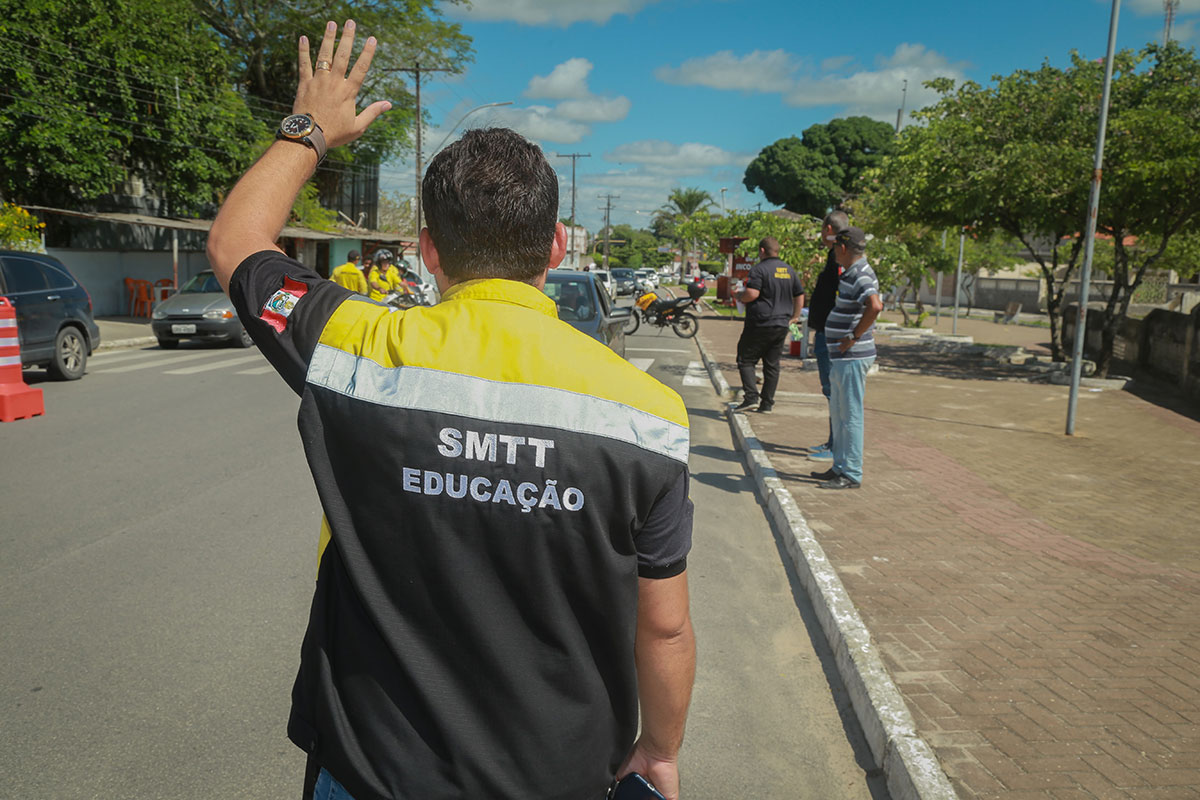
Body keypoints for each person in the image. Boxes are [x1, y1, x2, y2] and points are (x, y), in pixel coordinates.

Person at [204, 21, 695, 800]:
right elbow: (662, 624)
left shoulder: (354, 349)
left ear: (429, 249)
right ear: (557, 245)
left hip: (371, 773)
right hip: (561, 776)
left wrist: (310, 128)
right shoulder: (647, 414)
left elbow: (237, 241)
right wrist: (660, 749)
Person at [812, 226, 882, 490]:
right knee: (840, 414)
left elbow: (875, 305)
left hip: (852, 356)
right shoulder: (852, 272)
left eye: (834, 249)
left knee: (850, 415)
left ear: (842, 248)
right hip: (842, 358)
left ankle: (851, 472)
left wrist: (853, 335)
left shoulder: (861, 273)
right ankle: (839, 466)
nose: (833, 254)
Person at [733, 237, 805, 413]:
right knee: (772, 364)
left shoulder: (759, 269)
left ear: (762, 251)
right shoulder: (789, 270)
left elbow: (752, 293)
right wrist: (795, 316)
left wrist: (739, 296)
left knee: (746, 359)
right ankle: (767, 404)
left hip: (760, 322)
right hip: (781, 324)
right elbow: (800, 295)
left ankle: (751, 397)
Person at [805, 211, 850, 462]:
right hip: (825, 332)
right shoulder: (833, 257)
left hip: (832, 335)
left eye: (823, 230)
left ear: (830, 229)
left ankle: (836, 447)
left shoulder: (840, 259)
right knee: (830, 391)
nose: (821, 235)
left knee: (834, 392)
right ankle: (832, 442)